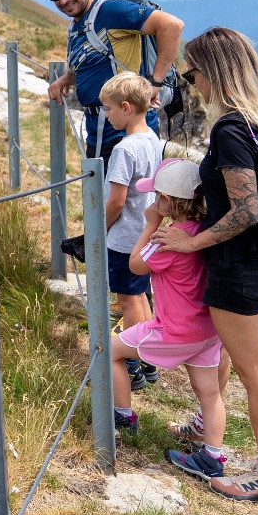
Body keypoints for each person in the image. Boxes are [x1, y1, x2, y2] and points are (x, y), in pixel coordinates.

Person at [150, 27, 258, 504]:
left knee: (256, 370)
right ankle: (204, 418)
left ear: (215, 72)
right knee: (224, 349)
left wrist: (193, 245)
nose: (192, 84)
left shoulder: (231, 129)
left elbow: (245, 210)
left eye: (192, 73)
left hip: (239, 266)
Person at [109, 159, 223, 446]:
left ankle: (122, 415)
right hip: (208, 331)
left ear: (166, 199)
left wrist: (151, 223)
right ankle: (213, 454)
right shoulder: (205, 231)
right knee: (210, 395)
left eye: (155, 195)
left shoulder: (167, 238)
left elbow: (136, 265)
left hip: (175, 330)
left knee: (107, 351)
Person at [40, 0, 184, 160]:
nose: (63, 0)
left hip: (126, 134)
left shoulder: (110, 11)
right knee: (100, 192)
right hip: (100, 133)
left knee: (124, 193)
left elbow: (172, 25)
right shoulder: (77, 24)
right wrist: (66, 79)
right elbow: (90, 63)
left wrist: (155, 84)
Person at [100, 73, 163, 334]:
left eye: (108, 109)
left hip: (124, 238)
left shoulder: (124, 149)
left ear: (126, 108)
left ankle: (132, 357)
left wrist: (99, 228)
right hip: (144, 233)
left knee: (127, 300)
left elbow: (117, 201)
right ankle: (148, 353)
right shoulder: (151, 138)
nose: (106, 115)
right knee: (140, 294)